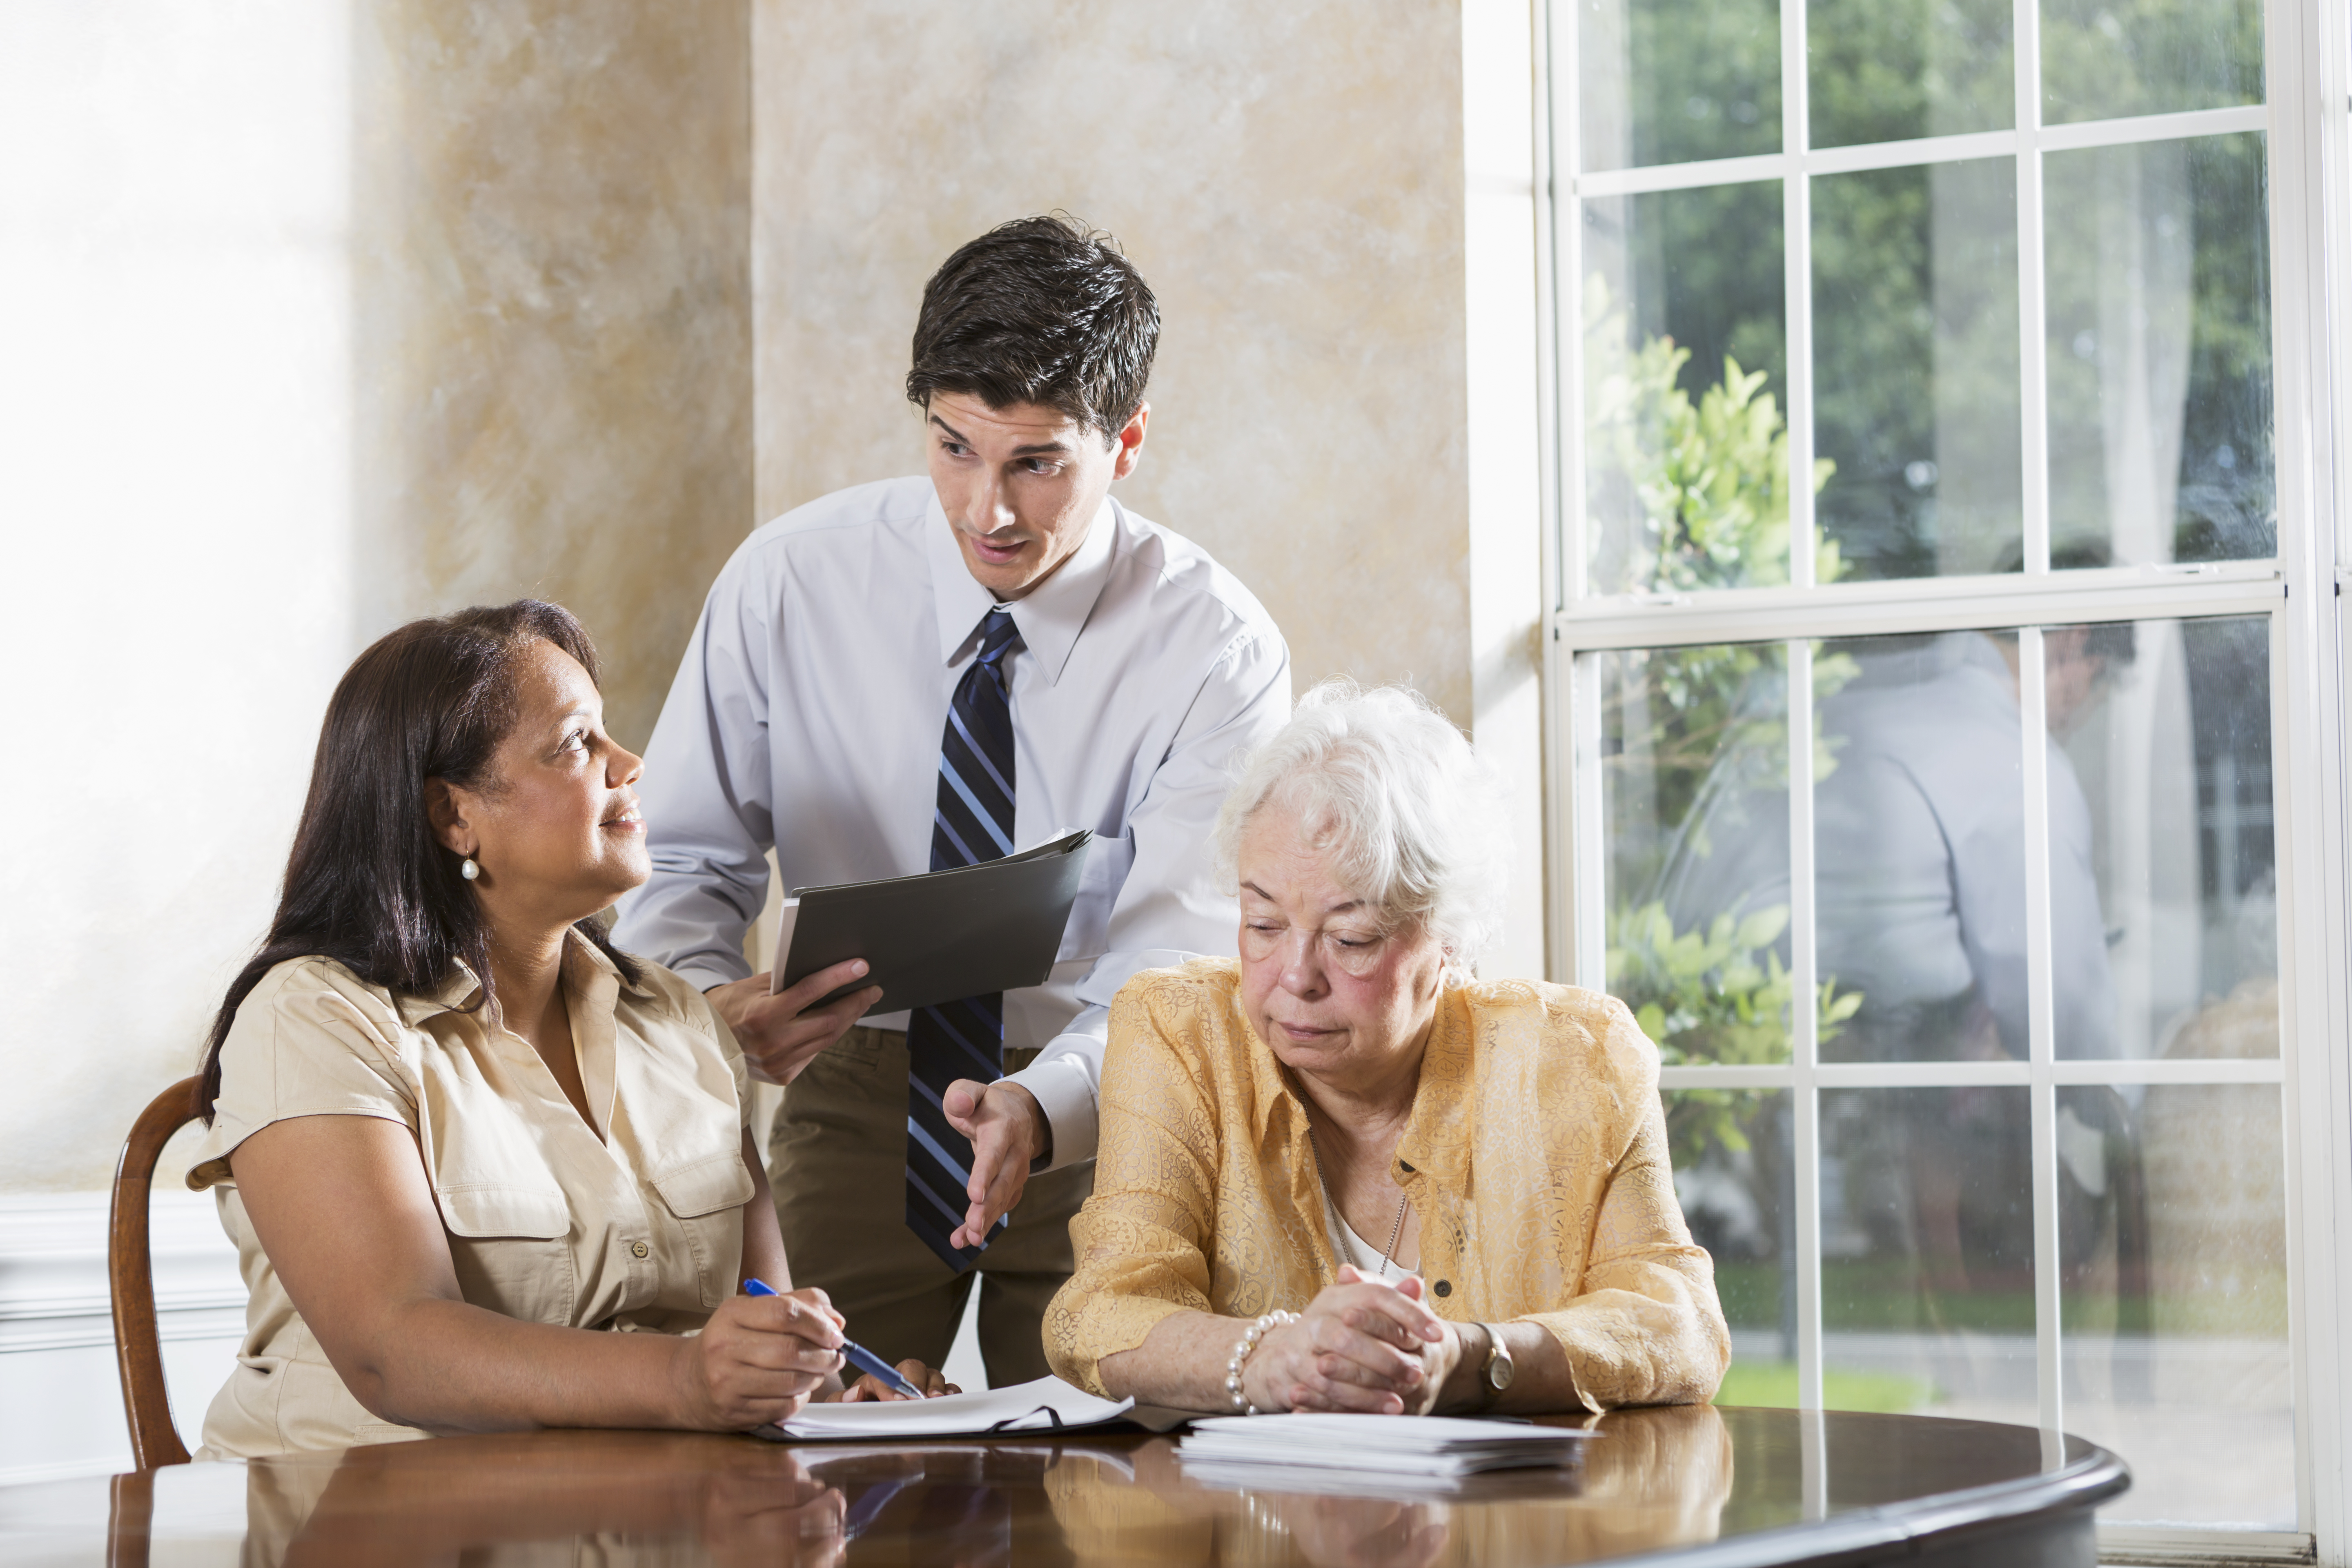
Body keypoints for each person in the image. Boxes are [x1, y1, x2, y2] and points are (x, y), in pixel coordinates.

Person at [613, 215, 1290, 1383]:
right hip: (849, 1083)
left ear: (1125, 442)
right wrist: (715, 1018)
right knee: (807, 1465)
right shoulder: (789, 582)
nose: (988, 509)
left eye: (1037, 461)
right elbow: (680, 862)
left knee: (1102, 1491)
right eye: (954, 447)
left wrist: (1046, 1102)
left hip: (1101, 1101)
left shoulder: (1217, 650)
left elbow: (1180, 960)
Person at [186, 603, 948, 1459]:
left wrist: (844, 1396)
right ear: (454, 817)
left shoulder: (679, 1018)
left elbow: (763, 1307)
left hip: (638, 1523)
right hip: (356, 1520)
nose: (630, 764)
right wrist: (687, 1379)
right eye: (578, 743)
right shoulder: (315, 1020)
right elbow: (392, 1351)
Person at [1042, 682, 1729, 1414]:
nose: (1296, 979)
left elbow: (1678, 1325)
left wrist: (1470, 1356)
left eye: (1352, 939)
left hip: (1512, 1524)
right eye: (1263, 925)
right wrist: (1270, 1360)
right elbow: (1100, 1313)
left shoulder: (1578, 1056)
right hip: (1247, 1521)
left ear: (1451, 944)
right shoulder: (1178, 1031)